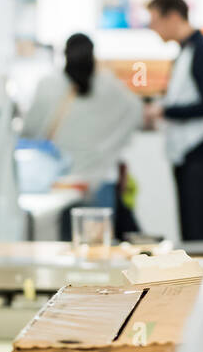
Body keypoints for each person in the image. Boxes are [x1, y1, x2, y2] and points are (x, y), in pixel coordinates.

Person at [20, 32, 141, 231]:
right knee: (98, 250)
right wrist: (110, 149)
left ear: (65, 55)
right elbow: (136, 110)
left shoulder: (48, 84)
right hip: (99, 180)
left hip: (58, 184)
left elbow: (29, 132)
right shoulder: (108, 85)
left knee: (62, 252)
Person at [144, 0, 203, 241]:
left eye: (155, 20)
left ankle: (200, 282)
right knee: (189, 235)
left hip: (202, 155)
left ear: (173, 17)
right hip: (188, 156)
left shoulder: (202, 50)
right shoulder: (186, 51)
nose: (152, 27)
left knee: (197, 238)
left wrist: (164, 111)